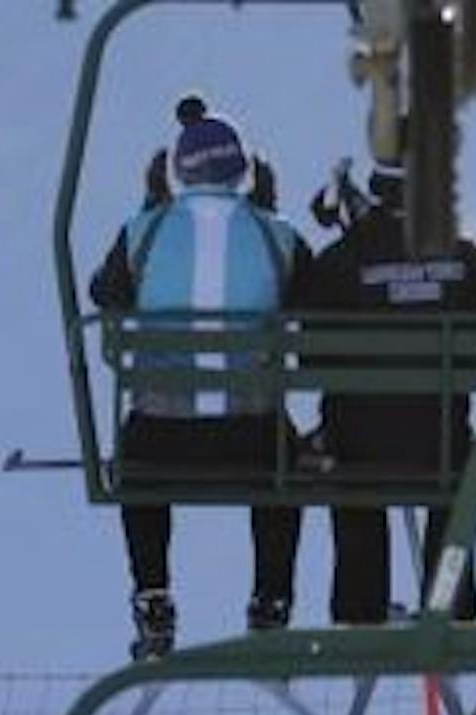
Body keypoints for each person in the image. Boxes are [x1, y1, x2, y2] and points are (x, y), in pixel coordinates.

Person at [90, 95, 314, 660]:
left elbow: (104, 292)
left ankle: (153, 596)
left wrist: (149, 211)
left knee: (133, 451)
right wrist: (268, 216)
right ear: (246, 169)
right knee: (290, 461)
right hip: (253, 437)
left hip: (162, 443)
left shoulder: (142, 231)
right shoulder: (277, 234)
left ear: (175, 171)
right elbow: (315, 301)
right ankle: (271, 601)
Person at [297, 152, 476, 625]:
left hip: (359, 443)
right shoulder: (463, 257)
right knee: (454, 481)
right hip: (438, 440)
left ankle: (360, 606)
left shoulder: (341, 259)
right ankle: (447, 600)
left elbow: (309, 353)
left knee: (351, 474)